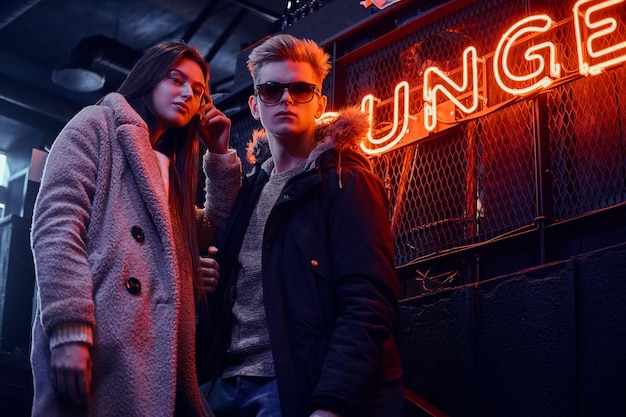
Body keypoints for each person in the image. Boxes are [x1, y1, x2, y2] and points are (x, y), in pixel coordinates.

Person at [196, 33, 405, 417]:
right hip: (223, 389)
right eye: (271, 90)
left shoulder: (347, 181)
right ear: (254, 105)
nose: (287, 99)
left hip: (293, 389)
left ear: (320, 103)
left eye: (301, 89)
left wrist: (332, 403)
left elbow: (368, 301)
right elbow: (219, 252)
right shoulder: (252, 189)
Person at [30, 40, 231, 417]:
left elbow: (209, 229)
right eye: (176, 79)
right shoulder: (97, 124)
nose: (188, 92)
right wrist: (69, 326)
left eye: (199, 90)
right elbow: (57, 224)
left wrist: (219, 157)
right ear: (149, 77)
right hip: (98, 342)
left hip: (152, 352)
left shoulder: (168, 167)